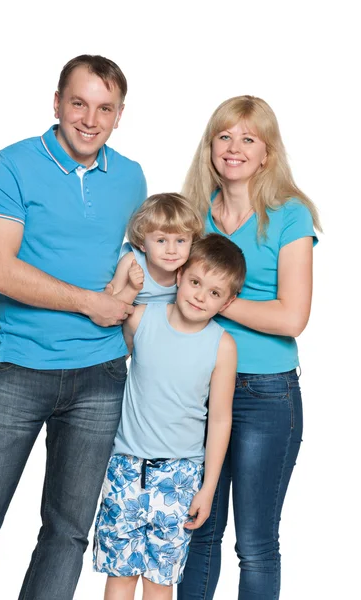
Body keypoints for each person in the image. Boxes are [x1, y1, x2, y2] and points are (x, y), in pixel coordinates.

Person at [0, 54, 147, 600]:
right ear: (58, 103)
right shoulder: (12, 164)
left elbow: (131, 260)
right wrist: (91, 303)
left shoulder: (131, 176)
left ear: (119, 115)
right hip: (18, 368)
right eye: (79, 103)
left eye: (105, 108)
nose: (90, 119)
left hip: (101, 375)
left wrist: (127, 300)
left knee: (67, 534)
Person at [178, 95, 321, 600]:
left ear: (267, 153)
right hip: (196, 391)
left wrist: (215, 301)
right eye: (224, 136)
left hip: (267, 395)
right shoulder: (194, 215)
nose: (233, 148)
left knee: (256, 544)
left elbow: (291, 317)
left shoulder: (290, 216)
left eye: (248, 138)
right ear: (210, 146)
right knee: (199, 533)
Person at [93, 234, 246, 600]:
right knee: (119, 574)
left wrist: (207, 488)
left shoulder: (222, 345)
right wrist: (125, 284)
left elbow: (220, 419)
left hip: (179, 477)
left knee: (161, 581)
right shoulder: (142, 319)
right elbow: (107, 358)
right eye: (195, 282)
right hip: (125, 468)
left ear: (229, 301)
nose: (199, 296)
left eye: (214, 293)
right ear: (179, 277)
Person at [108, 192, 204, 304]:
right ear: (142, 243)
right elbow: (111, 306)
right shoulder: (131, 262)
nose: (171, 250)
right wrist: (132, 288)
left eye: (180, 241)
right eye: (161, 240)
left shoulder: (190, 267)